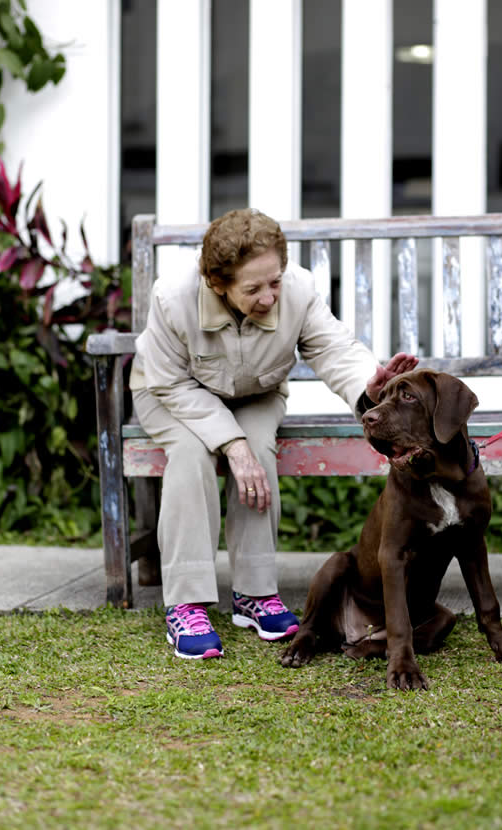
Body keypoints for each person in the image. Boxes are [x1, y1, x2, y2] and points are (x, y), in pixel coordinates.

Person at [129, 208, 417, 660]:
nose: (269, 297)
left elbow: (332, 346)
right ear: (218, 283)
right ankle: (186, 601)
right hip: (171, 394)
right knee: (190, 453)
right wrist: (230, 442)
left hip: (255, 392)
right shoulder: (172, 297)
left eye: (275, 282)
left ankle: (254, 593)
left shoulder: (298, 290)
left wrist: (370, 383)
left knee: (258, 449)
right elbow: (169, 382)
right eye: (253, 288)